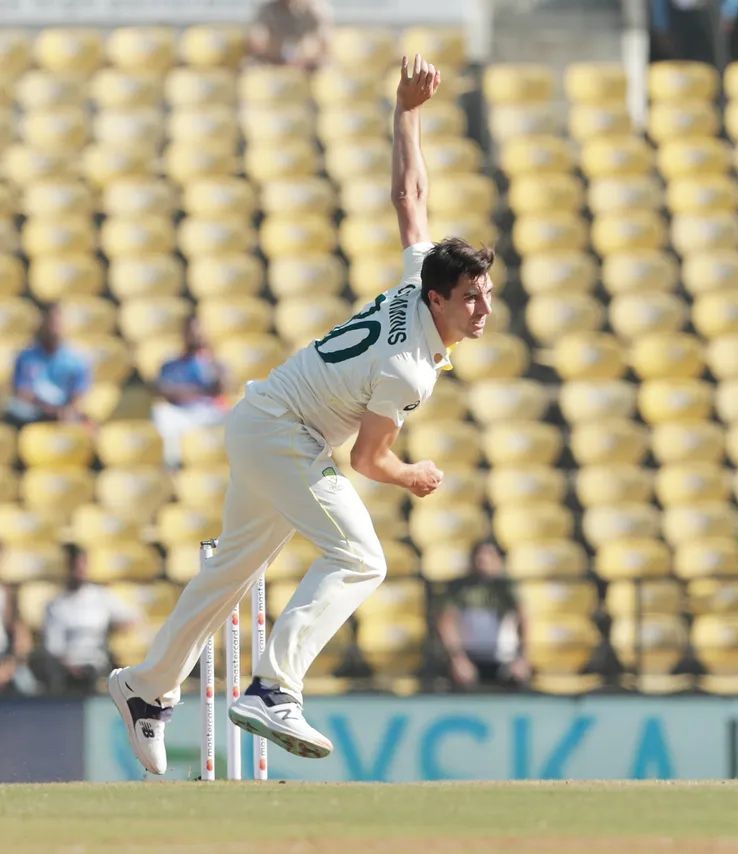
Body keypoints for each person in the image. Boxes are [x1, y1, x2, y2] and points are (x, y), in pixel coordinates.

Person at [108, 56, 495, 775]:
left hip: (264, 421)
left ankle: (145, 688)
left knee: (229, 576)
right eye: (471, 296)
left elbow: (410, 194)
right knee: (361, 557)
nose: (483, 308)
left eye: (487, 293)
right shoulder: (409, 368)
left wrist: (406, 110)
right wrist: (413, 477)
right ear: (439, 299)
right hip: (287, 433)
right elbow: (368, 461)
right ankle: (273, 689)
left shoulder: (419, 279)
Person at [36, 548, 138, 695]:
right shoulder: (56, 605)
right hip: (69, 668)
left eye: (82, 565)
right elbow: (54, 647)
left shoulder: (102, 596)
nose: (79, 571)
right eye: (74, 566)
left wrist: (115, 628)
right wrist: (70, 666)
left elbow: (132, 618)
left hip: (98, 663)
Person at [436, 540, 531, 690]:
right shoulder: (460, 588)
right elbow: (447, 622)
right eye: (479, 559)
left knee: (517, 681)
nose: (483, 563)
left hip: (504, 657)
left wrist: (522, 658)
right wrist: (458, 658)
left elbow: (524, 619)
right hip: (469, 655)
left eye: (489, 558)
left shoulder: (507, 588)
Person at [152, 316, 229, 468]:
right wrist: (194, 391)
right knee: (162, 413)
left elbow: (222, 388)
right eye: (191, 331)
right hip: (181, 412)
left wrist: (212, 362)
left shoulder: (212, 361)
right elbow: (163, 388)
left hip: (208, 410)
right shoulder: (172, 362)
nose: (195, 335)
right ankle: (174, 466)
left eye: (199, 331)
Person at [4, 305, 91, 428]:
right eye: (49, 322)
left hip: (64, 410)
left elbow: (78, 393)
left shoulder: (76, 358)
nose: (53, 328)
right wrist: (48, 409)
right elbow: (22, 391)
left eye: (56, 323)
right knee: (15, 408)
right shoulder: (26, 356)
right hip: (35, 409)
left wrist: (67, 410)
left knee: (87, 423)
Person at [248, 0, 331, 69]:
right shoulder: (267, 10)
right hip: (273, 60)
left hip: (308, 63)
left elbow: (326, 43)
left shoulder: (316, 9)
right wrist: (274, 57)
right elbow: (256, 41)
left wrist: (307, 60)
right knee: (249, 66)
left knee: (326, 67)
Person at [0, 581, 32, 696]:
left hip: (8, 662)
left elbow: (23, 650)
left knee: (24, 678)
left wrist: (9, 666)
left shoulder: (17, 626)